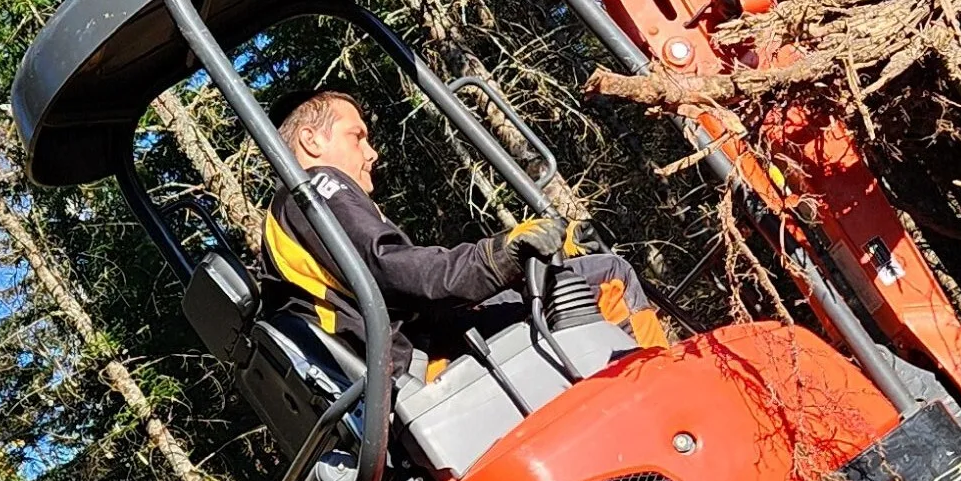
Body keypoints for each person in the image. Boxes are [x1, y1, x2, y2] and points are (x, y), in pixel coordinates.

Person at [262, 91, 665, 365]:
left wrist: (541, 252)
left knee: (568, 275)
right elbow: (396, 269)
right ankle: (662, 391)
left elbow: (401, 281)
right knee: (609, 276)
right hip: (427, 354)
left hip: (420, 341)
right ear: (311, 141)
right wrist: (498, 257)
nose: (372, 152)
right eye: (357, 136)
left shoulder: (296, 211)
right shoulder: (316, 186)